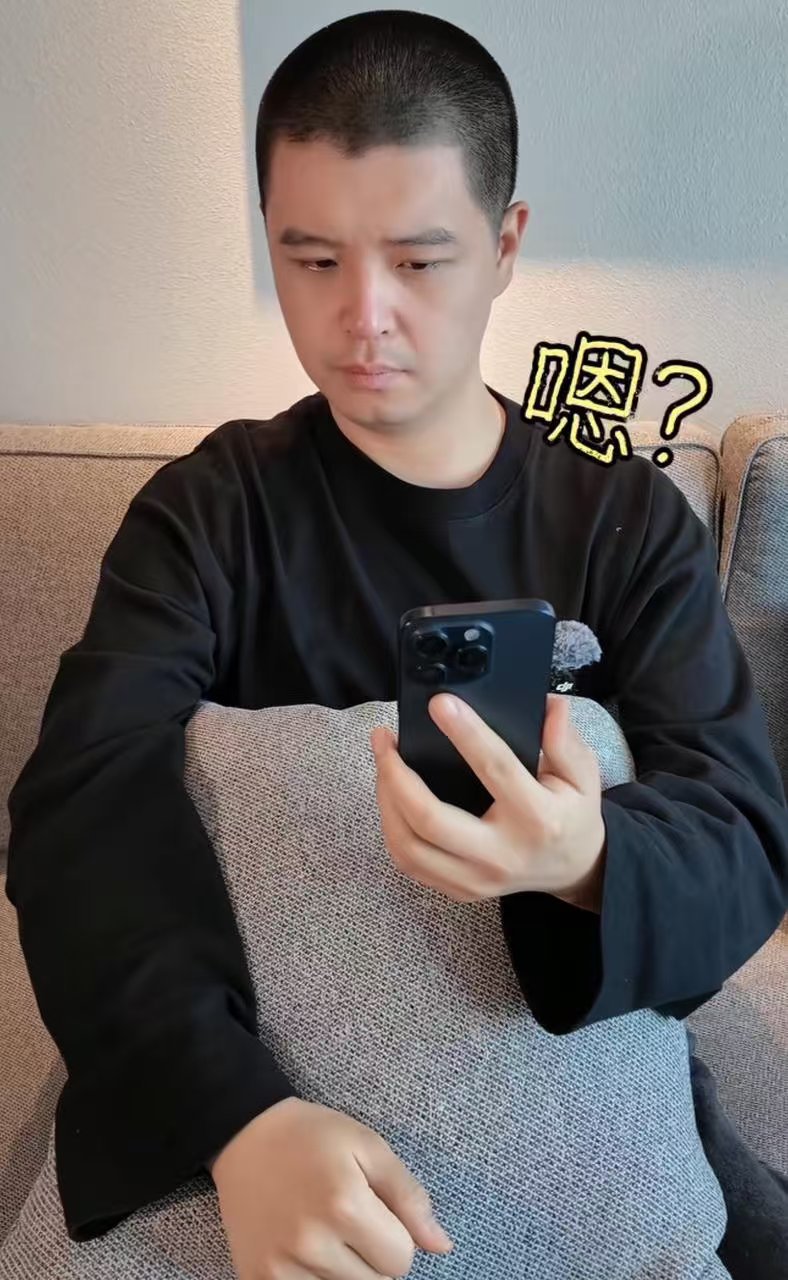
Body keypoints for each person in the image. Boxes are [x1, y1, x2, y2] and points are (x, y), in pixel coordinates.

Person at [6, 10, 788, 1280]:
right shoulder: (208, 511)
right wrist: (238, 1119)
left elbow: (740, 831)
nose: (361, 317)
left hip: (555, 1096)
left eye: (418, 262)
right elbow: (81, 803)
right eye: (311, 259)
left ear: (505, 243)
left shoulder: (622, 519)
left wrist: (587, 858)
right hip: (243, 1065)